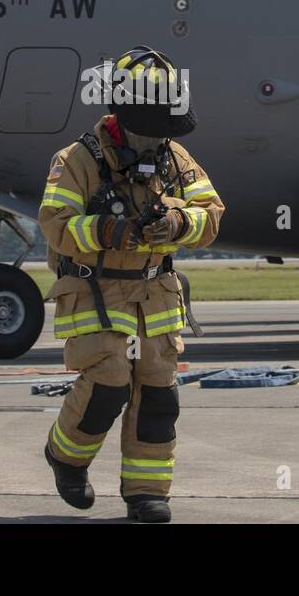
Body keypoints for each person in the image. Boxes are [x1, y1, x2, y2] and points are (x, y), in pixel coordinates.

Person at [38, 46, 224, 522]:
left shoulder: (173, 155)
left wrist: (178, 224)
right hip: (95, 289)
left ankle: (147, 493)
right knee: (108, 383)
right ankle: (67, 457)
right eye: (151, 126)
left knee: (159, 393)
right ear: (123, 114)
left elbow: (211, 213)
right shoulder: (77, 159)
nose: (158, 137)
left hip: (155, 294)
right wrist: (110, 229)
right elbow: (57, 225)